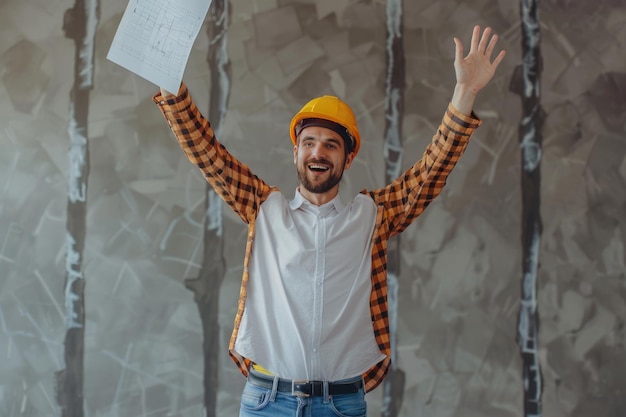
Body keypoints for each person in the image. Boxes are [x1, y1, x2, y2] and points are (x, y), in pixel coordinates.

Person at [154, 25, 505, 417]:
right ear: (296, 154)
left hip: (341, 404)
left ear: (347, 158)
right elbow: (207, 154)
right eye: (308, 142)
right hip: (267, 401)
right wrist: (172, 88)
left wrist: (466, 93)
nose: (317, 151)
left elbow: (429, 172)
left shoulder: (372, 216)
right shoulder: (262, 207)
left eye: (331, 144)